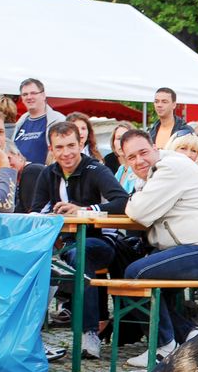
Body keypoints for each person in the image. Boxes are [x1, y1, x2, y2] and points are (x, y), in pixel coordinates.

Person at [119, 130, 198, 367]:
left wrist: (134, 196)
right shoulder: (160, 170)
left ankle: (164, 346)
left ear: (155, 147)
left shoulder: (170, 167)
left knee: (134, 275)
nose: (139, 160)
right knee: (155, 281)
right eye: (131, 157)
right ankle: (192, 337)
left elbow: (139, 212)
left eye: (143, 152)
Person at [30, 122, 128, 359]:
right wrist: (51, 215)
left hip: (101, 242)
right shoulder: (48, 173)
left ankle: (89, 332)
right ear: (51, 149)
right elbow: (35, 211)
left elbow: (122, 201)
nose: (66, 153)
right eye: (60, 147)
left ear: (81, 144)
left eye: (71, 145)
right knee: (37, 260)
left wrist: (83, 210)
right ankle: (29, 334)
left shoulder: (96, 169)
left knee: (80, 255)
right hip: (64, 245)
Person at [13, 78, 65, 164]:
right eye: (25, 94)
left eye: (33, 93)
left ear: (43, 95)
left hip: (45, 175)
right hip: (20, 175)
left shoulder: (58, 121)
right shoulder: (20, 123)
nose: (29, 97)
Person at [7, 141, 44, 214]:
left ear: (18, 155)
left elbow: (31, 211)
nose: (6, 164)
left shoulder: (31, 172)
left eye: (9, 159)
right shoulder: (18, 178)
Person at [109, 123, 142, 194]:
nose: (121, 142)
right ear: (113, 142)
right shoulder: (121, 170)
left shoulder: (139, 168)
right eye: (118, 138)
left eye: (126, 138)